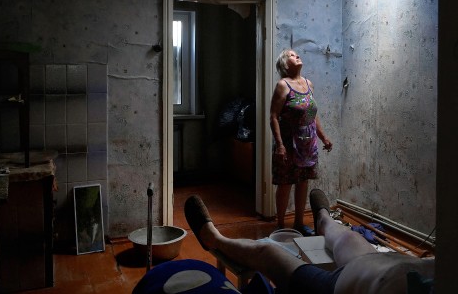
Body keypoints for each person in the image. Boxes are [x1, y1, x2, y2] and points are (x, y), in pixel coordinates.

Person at [184, 189, 435, 294]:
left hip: (336, 286)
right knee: (347, 235)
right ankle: (323, 219)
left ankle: (214, 238)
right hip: (371, 262)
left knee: (267, 251)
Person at [270, 49, 333, 235]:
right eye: (291, 55)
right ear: (284, 64)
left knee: (303, 182)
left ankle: (298, 223)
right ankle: (280, 226)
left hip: (307, 144)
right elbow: (273, 116)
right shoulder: (283, 85)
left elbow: (312, 115)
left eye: (296, 54)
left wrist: (324, 137)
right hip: (289, 144)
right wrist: (279, 145)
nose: (296, 55)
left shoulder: (309, 84)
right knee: (285, 183)